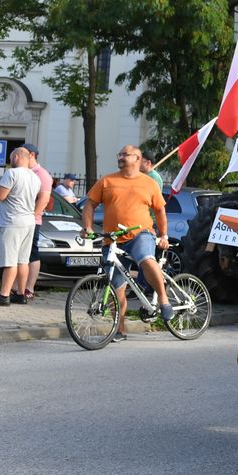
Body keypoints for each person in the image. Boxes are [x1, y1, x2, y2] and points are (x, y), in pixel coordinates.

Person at [81, 144, 173, 340]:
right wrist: (87, 227)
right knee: (115, 287)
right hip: (112, 239)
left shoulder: (149, 183)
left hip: (141, 233)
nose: (121, 157)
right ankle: (119, 329)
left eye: (126, 154)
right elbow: (89, 204)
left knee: (146, 259)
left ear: (138, 159)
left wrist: (163, 235)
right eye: (120, 154)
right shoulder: (107, 180)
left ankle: (164, 299)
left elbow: (160, 211)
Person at [0, 147, 39, 306]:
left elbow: (0, 196)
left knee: (9, 261)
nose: (9, 161)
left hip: (11, 222)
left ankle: (4, 295)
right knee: (23, 261)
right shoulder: (35, 177)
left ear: (17, 157)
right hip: (28, 221)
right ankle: (21, 294)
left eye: (11, 157)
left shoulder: (11, 174)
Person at [18, 143, 53, 303]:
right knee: (19, 255)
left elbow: (44, 198)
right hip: (20, 221)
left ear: (31, 155)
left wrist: (33, 216)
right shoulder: (22, 172)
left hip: (32, 221)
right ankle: (17, 287)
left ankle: (29, 288)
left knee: (31, 254)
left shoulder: (41, 174)